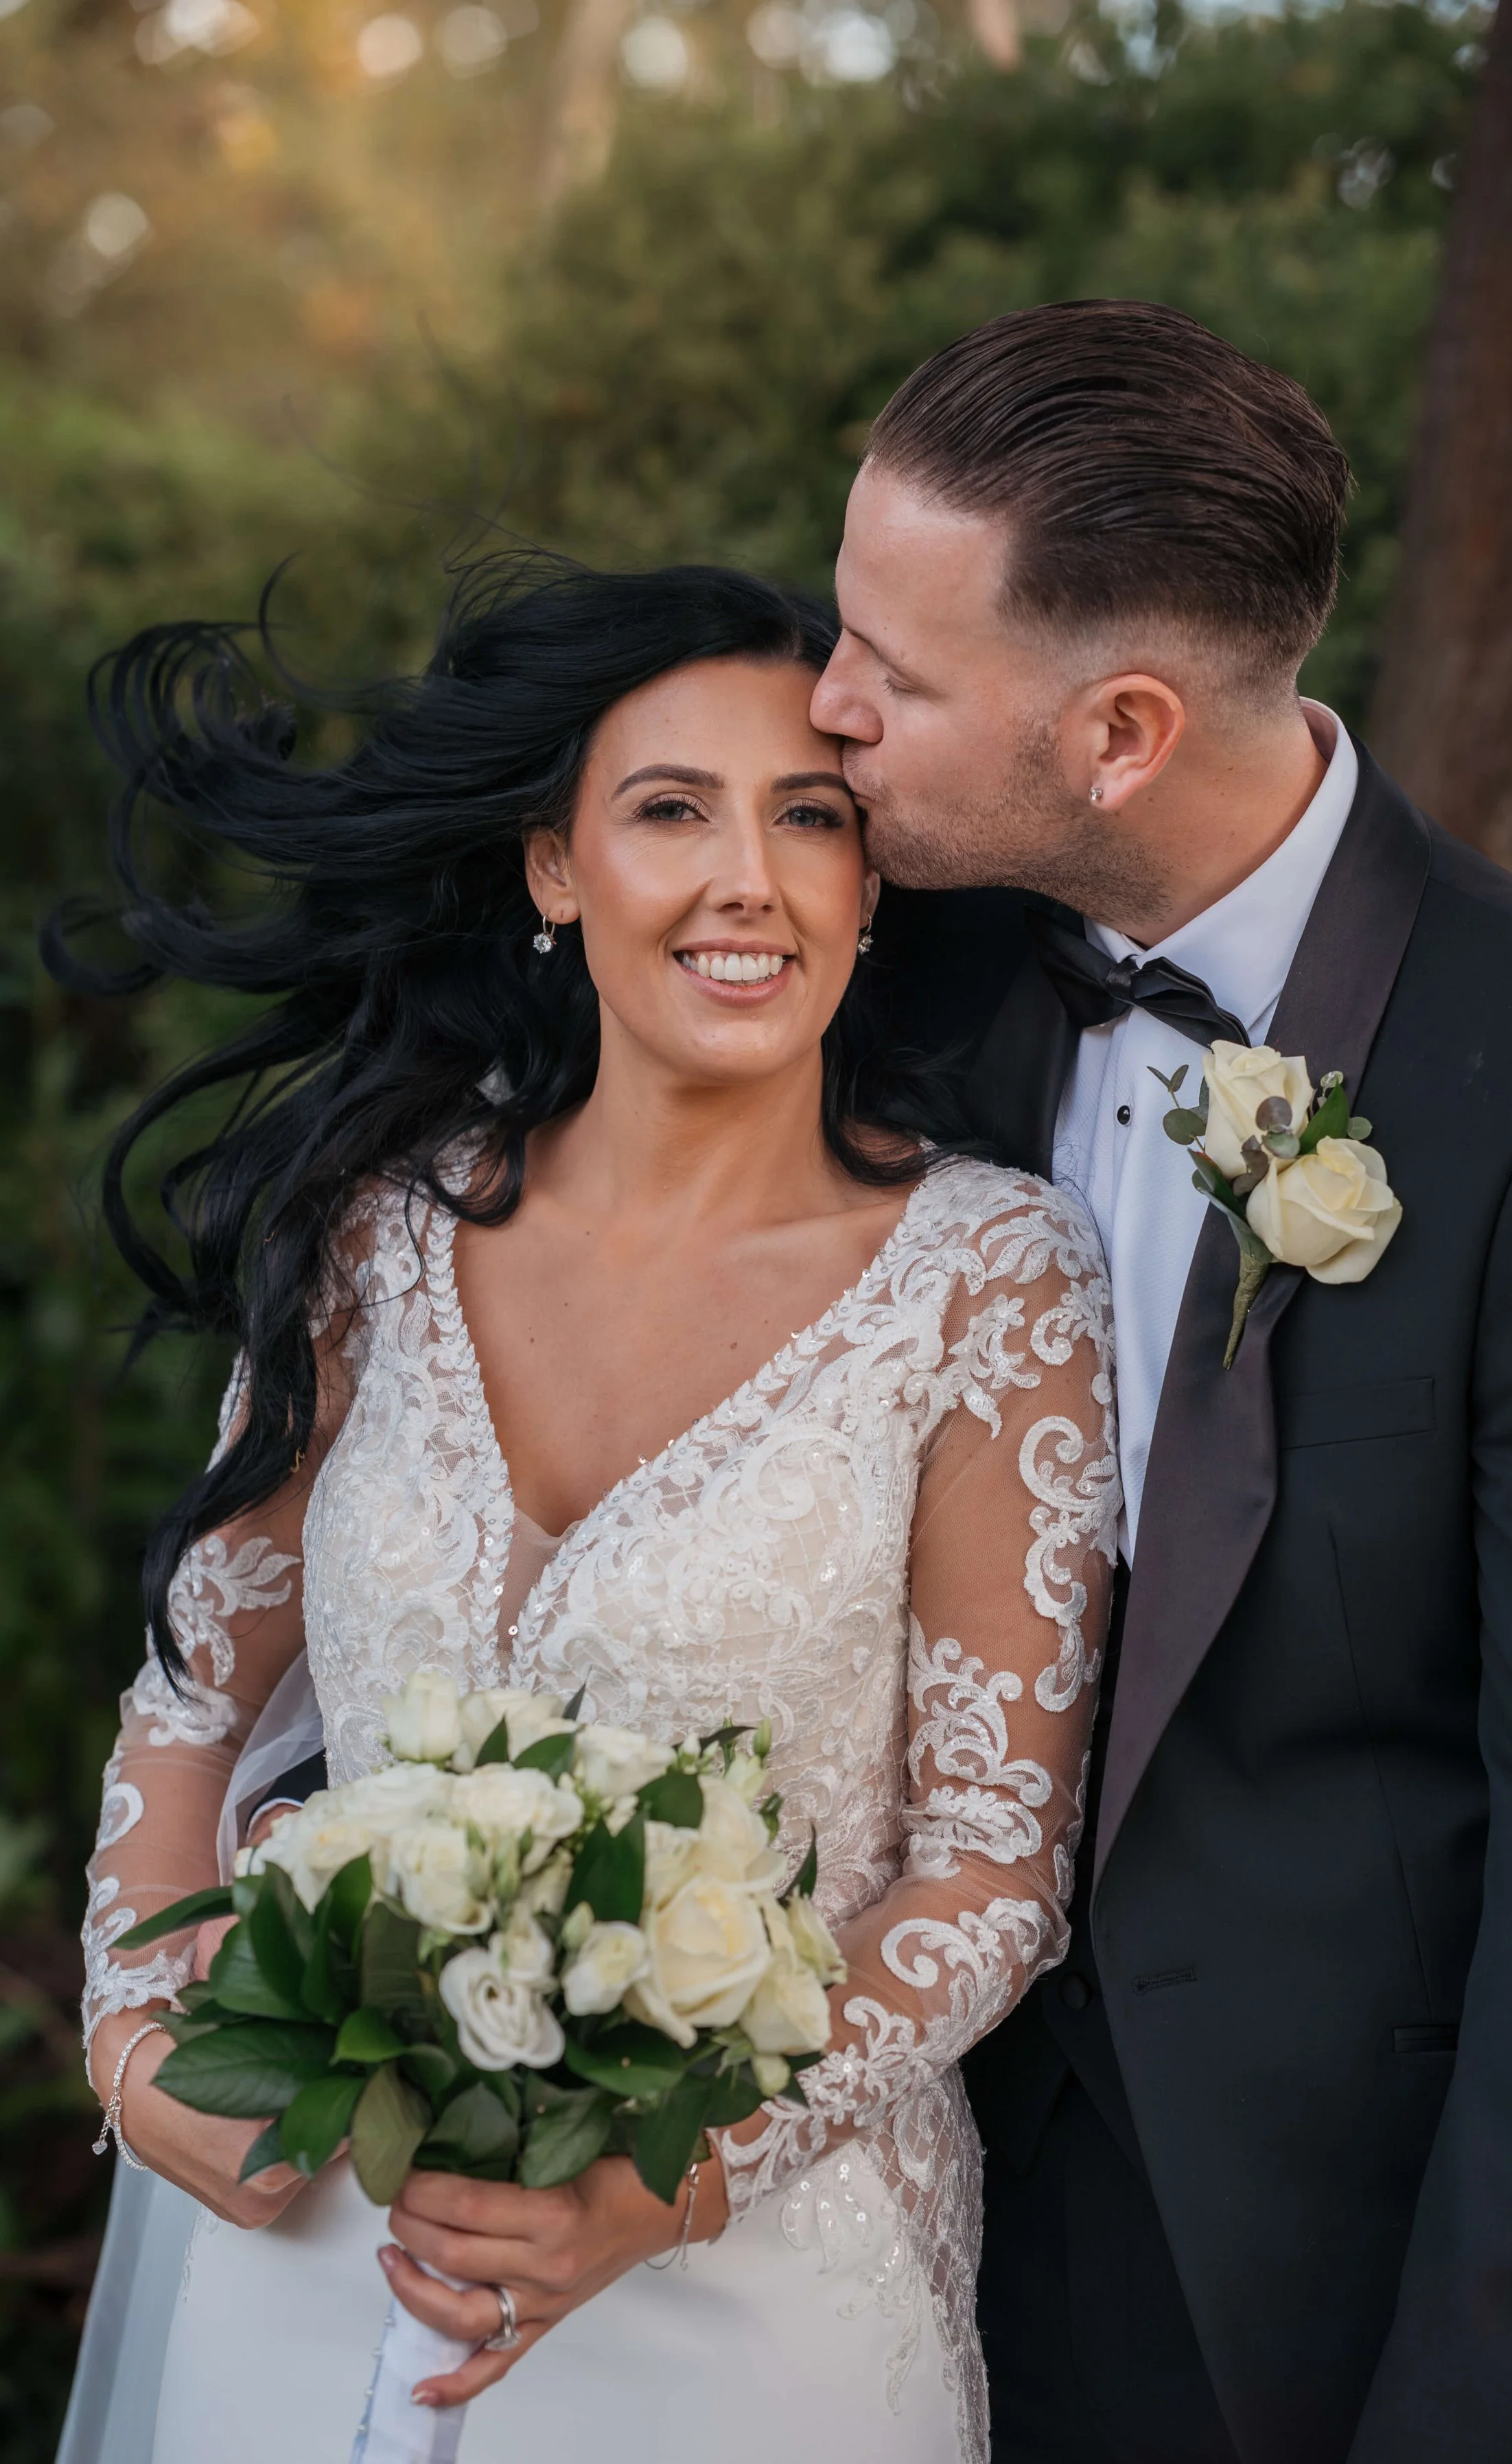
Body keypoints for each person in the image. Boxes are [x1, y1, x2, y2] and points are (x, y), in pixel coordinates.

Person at [59, 559, 1119, 2463]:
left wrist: (670, 2172)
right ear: (553, 869)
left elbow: (985, 1869)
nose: (750, 878)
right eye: (668, 810)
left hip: (750, 2289)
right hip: (309, 2230)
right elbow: (196, 1706)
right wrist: (138, 2040)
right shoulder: (374, 1233)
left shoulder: (987, 1282)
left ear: (871, 883)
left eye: (810, 815)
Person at [809, 300, 1512, 2461]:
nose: (822, 706)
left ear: (1118, 730)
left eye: (893, 674)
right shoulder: (872, 955)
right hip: (835, 2212)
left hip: (1286, 2293)